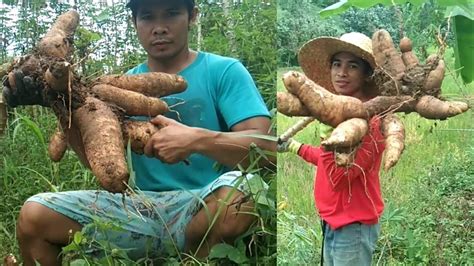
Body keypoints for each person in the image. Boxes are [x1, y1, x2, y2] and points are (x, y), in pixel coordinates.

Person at [15, 0, 275, 264]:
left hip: (204, 204)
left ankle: (192, 258)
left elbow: (267, 151)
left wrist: (197, 140)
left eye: (172, 13)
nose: (159, 27)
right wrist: (62, 105)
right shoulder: (117, 88)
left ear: (192, 16)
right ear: (134, 23)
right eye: (148, 17)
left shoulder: (224, 71)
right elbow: (104, 166)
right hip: (139, 211)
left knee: (247, 191)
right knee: (34, 214)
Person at [278, 32, 385, 265]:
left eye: (352, 66)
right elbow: (328, 160)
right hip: (333, 220)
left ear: (367, 75)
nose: (341, 72)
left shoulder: (373, 122)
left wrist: (329, 133)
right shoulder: (340, 118)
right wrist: (294, 146)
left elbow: (340, 175)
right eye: (337, 64)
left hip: (353, 226)